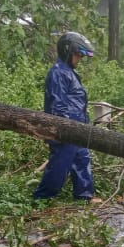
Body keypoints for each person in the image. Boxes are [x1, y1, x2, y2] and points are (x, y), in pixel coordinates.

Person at [32, 31, 97, 202]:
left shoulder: (68, 72)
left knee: (82, 159)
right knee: (60, 165)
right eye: (77, 55)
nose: (79, 59)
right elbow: (57, 103)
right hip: (66, 129)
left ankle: (84, 196)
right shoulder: (58, 73)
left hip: (79, 129)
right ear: (67, 51)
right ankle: (43, 198)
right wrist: (63, 128)